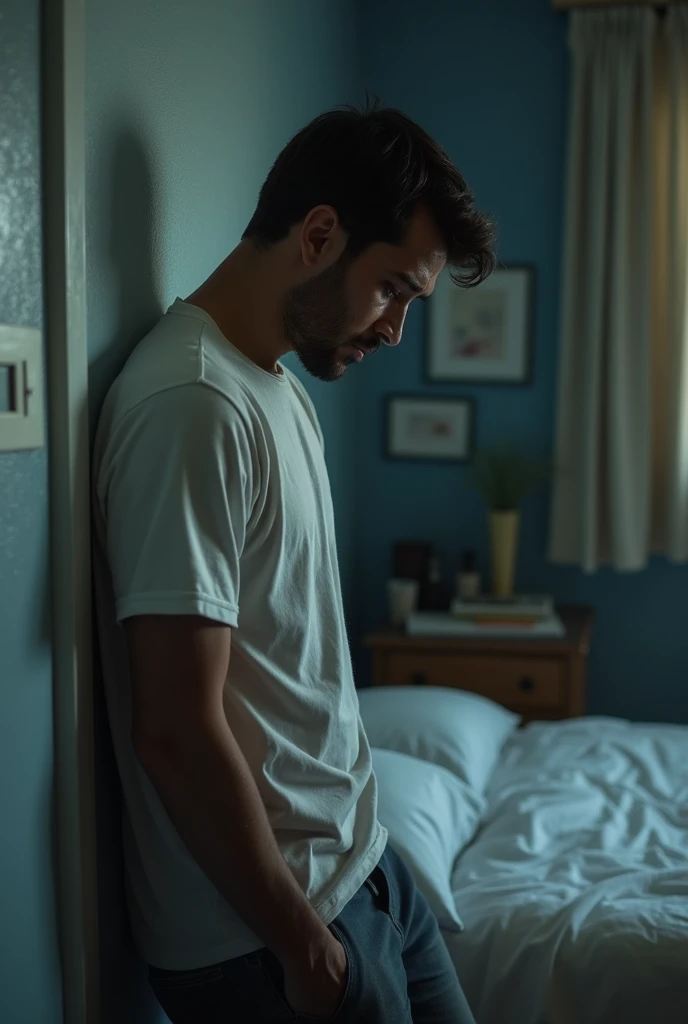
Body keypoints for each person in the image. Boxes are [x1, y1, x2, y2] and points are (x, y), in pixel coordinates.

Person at [92, 102, 494, 1023]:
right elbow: (176, 731)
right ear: (319, 236)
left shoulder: (268, 384)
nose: (396, 330)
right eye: (393, 288)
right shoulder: (191, 403)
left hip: (362, 870)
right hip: (271, 937)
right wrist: (303, 946)